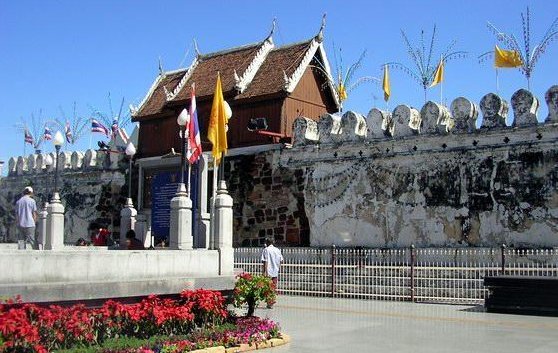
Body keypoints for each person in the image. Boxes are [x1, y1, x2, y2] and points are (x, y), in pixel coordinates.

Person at [261, 238, 283, 308]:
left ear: (267, 242)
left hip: (268, 272)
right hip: (275, 271)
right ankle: (271, 302)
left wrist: (264, 271)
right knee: (273, 287)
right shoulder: (277, 250)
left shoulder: (266, 250)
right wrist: (278, 267)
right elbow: (281, 260)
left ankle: (269, 303)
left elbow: (265, 261)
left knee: (268, 288)